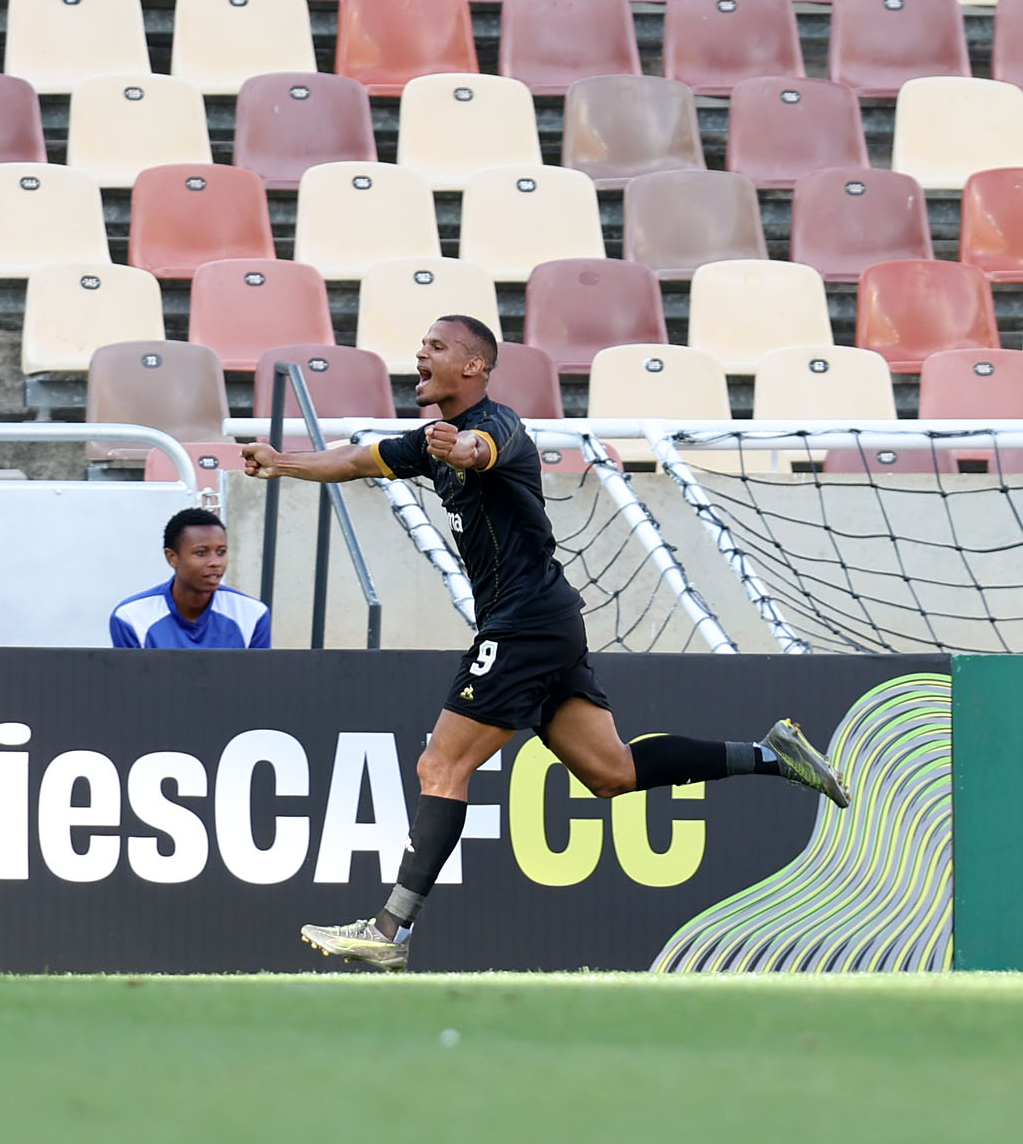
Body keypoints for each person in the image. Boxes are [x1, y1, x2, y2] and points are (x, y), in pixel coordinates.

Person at [240, 315, 849, 971]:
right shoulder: (428, 441)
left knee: (440, 767)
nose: (421, 352)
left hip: (523, 623)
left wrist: (462, 451)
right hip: (547, 620)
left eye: (437, 346)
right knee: (609, 772)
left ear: (474, 367)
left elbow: (481, 450)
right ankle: (769, 755)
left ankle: (390, 930)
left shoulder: (496, 426)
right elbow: (359, 458)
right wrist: (282, 463)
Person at [111, 508, 271, 649]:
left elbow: (257, 681)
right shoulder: (131, 617)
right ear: (172, 557)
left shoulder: (252, 614)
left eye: (221, 552)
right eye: (201, 553)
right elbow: (133, 682)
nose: (215, 562)